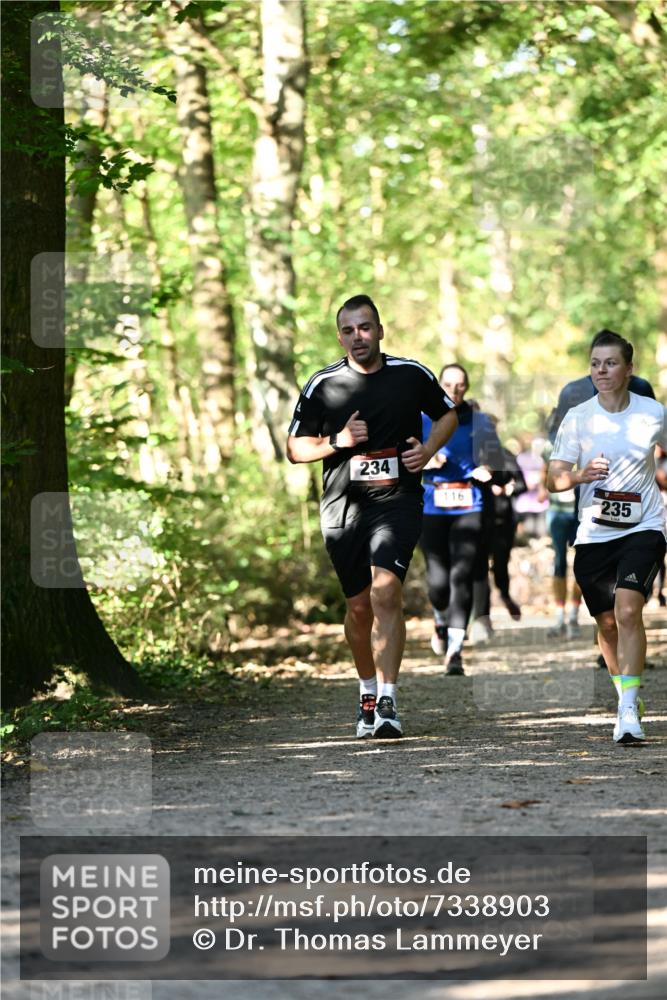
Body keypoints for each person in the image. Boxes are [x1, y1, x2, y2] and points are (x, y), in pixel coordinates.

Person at [286, 295, 466, 739]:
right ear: (339, 336)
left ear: (380, 330)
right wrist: (339, 440)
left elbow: (447, 416)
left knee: (386, 593)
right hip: (343, 506)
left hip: (397, 501)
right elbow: (295, 449)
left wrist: (427, 451)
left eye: (365, 328)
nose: (357, 337)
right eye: (348, 330)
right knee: (359, 606)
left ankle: (387, 699)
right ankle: (366, 690)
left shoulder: (411, 374)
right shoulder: (323, 384)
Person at [548, 330, 667, 744]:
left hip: (644, 526)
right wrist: (580, 475)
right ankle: (625, 692)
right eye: (596, 363)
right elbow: (552, 479)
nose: (602, 370)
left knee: (629, 610)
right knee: (606, 621)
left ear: (629, 369)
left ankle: (628, 708)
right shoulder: (578, 417)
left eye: (611, 363)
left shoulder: (653, 412)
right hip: (595, 532)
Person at [420, 364, 503, 675]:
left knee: (461, 576)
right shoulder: (422, 418)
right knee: (438, 584)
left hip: (470, 504)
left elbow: (495, 459)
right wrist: (428, 457)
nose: (454, 390)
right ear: (439, 385)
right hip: (432, 504)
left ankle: (455, 651)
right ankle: (440, 619)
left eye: (460, 385)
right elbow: (405, 454)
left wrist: (487, 469)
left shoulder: (480, 421)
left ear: (467, 387)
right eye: (448, 384)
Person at [540, 440, 582, 638]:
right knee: (558, 562)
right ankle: (559, 617)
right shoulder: (551, 445)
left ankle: (573, 615)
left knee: (582, 563)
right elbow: (544, 470)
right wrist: (543, 488)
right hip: (557, 512)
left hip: (580, 513)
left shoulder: (588, 440)